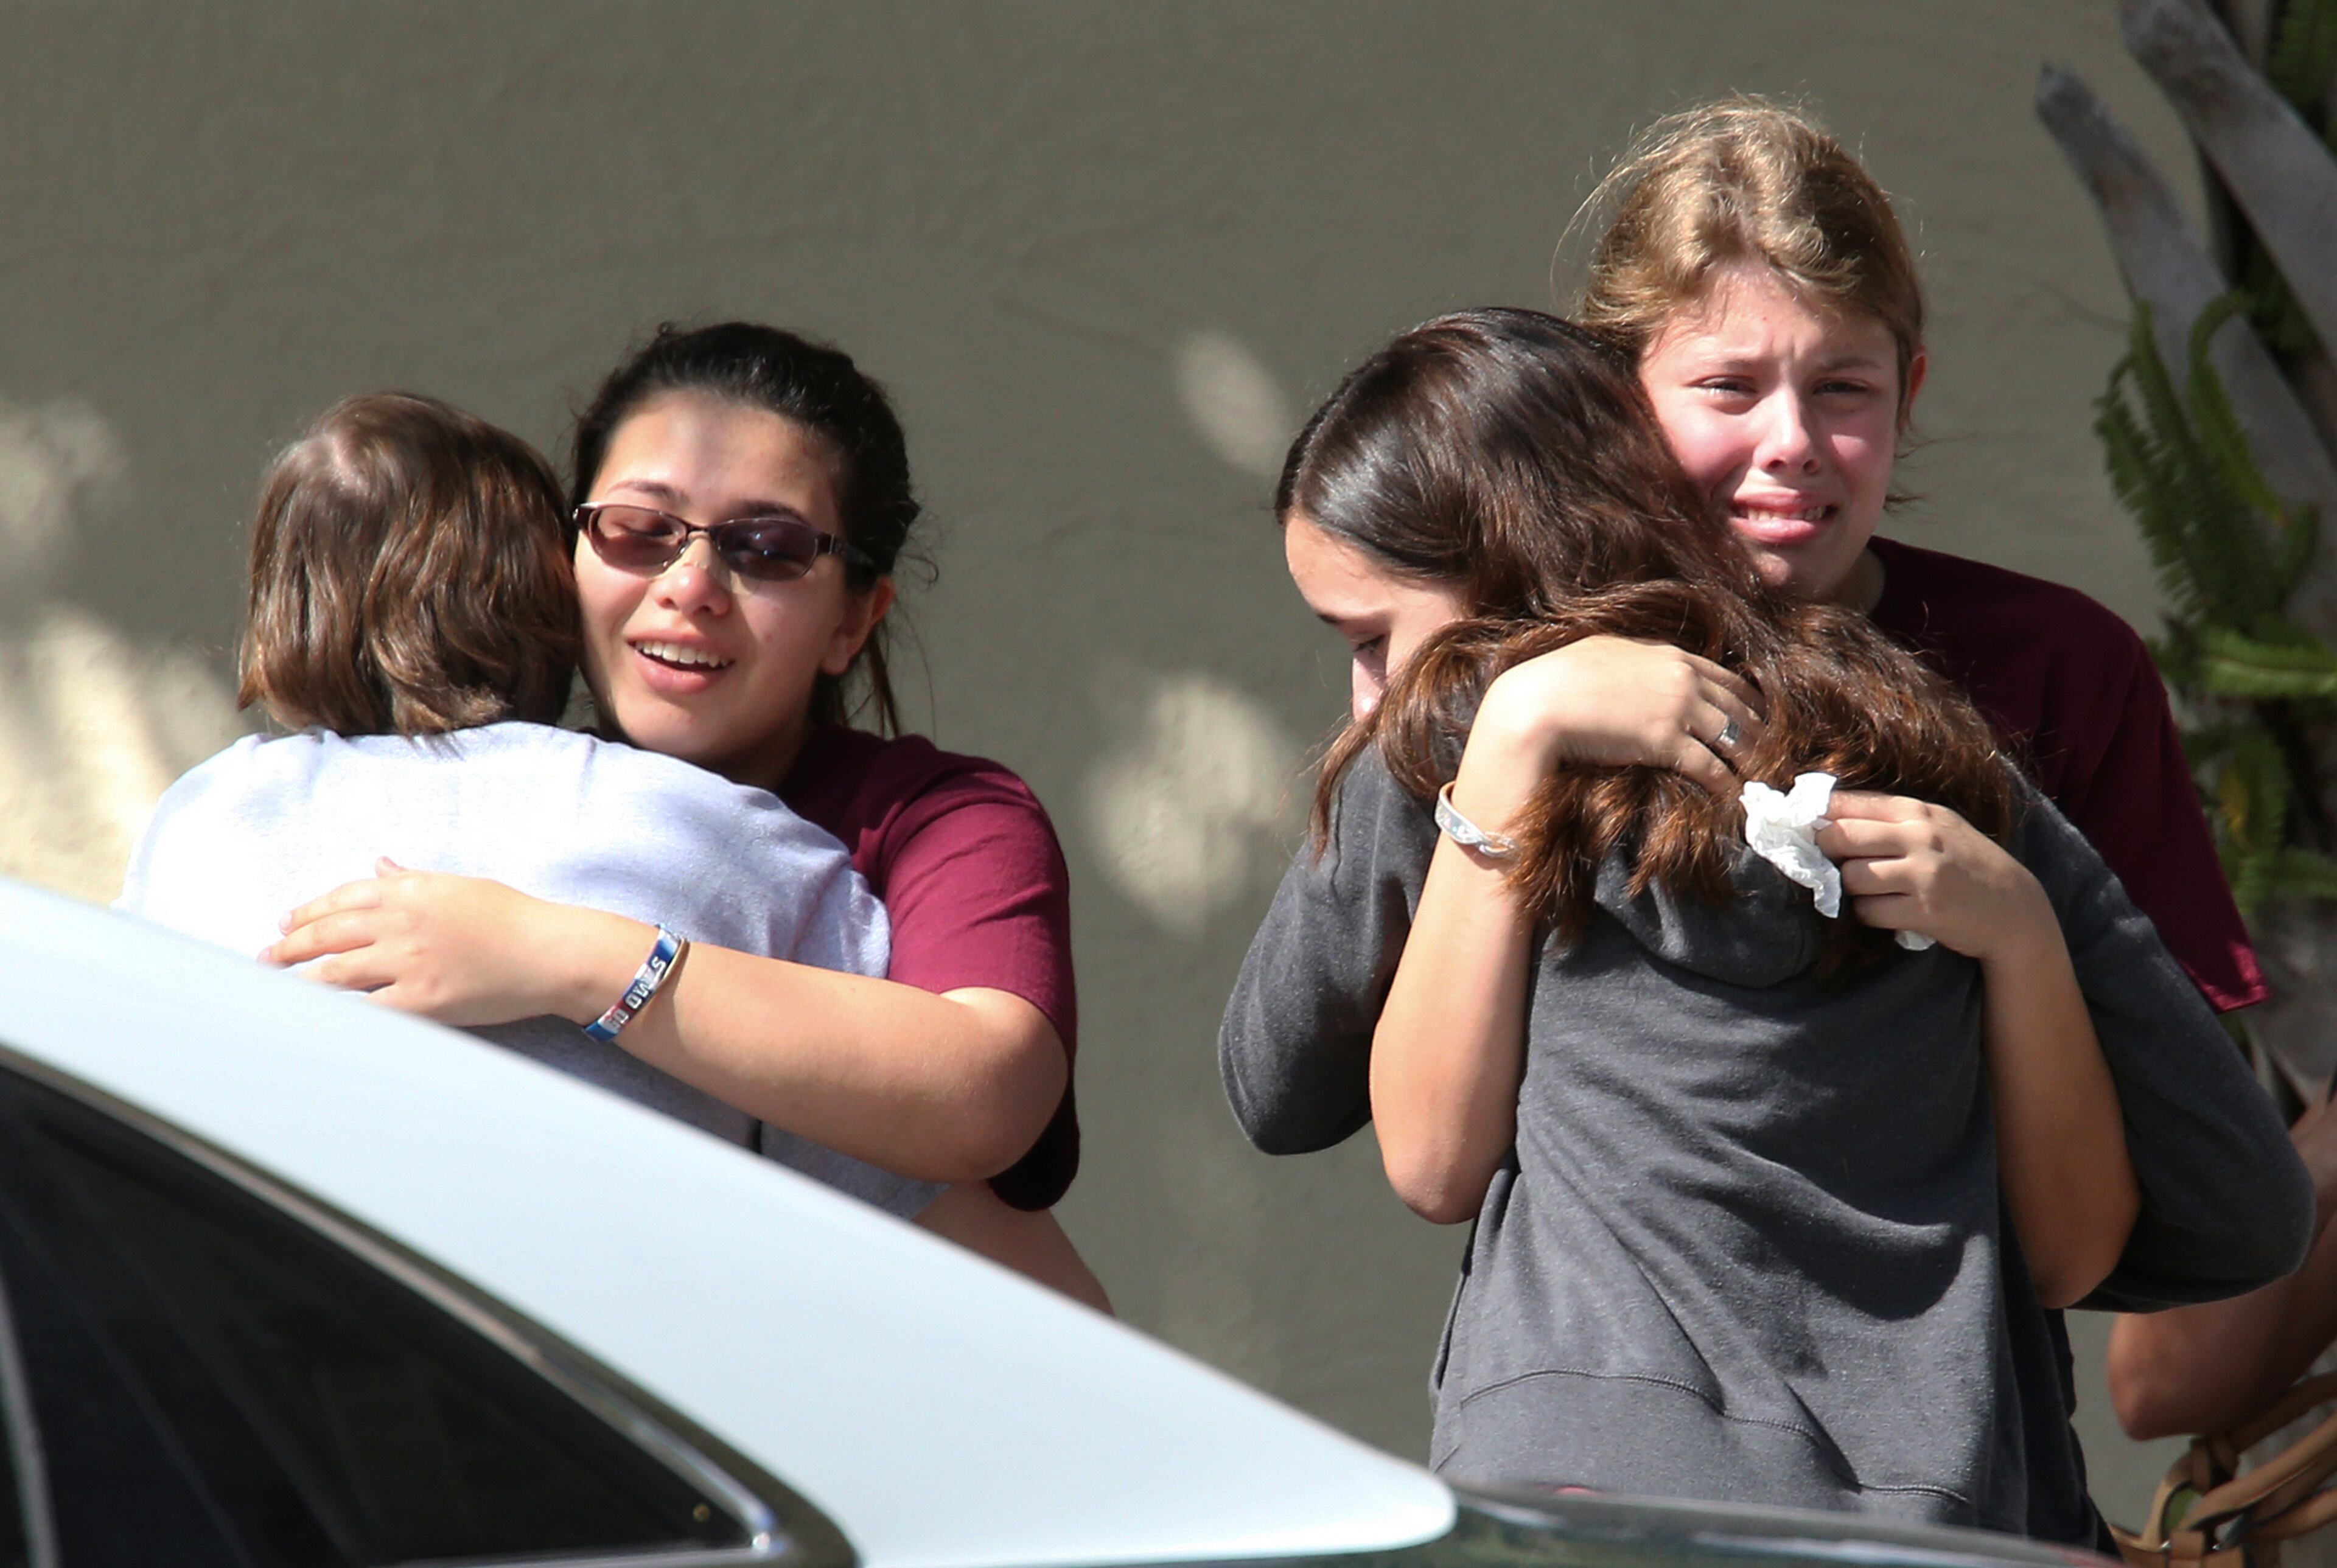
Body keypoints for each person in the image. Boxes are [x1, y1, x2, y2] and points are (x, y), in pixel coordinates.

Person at [1241, 97, 2262, 1541]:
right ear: (1617, 402)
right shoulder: (1506, 669)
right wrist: (1503, 720)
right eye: (1727, 386)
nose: (1791, 443)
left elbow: (2159, 1171)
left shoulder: (2052, 667)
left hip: (1954, 1468)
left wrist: (2014, 926)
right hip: (1604, 1462)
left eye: (1841, 387)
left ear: (1910, 388)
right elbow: (1288, 1078)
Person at [263, 328, 1105, 1311]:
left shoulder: (937, 816)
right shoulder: (474, 797)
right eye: (638, 529)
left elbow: (985, 1094)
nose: (691, 586)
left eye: (768, 547)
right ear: (567, 554)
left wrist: (557, 955)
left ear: (853, 620)